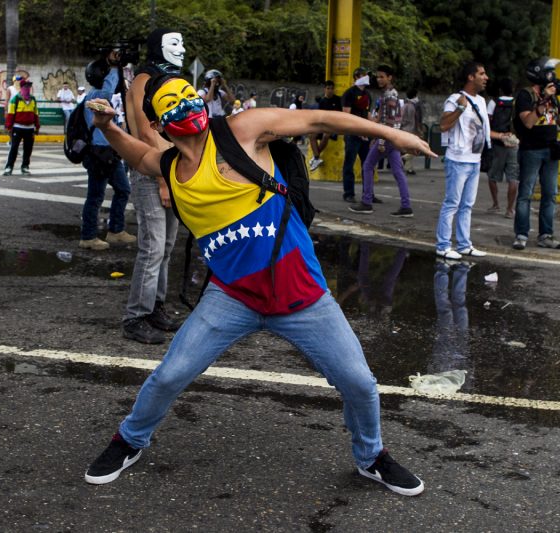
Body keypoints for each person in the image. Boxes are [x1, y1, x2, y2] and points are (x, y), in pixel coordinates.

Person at [83, 73, 434, 496]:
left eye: (189, 95)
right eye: (172, 102)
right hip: (231, 297)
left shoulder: (241, 130)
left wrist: (391, 134)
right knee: (169, 375)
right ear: (158, 125)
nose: (187, 104)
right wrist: (107, 128)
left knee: (359, 383)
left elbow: (320, 120)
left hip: (304, 296)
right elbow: (139, 156)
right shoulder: (169, 167)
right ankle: (129, 440)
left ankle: (371, 457)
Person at [121, 28, 185, 344]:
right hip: (151, 172)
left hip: (169, 170)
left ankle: (155, 307)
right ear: (157, 48)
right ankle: (136, 317)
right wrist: (162, 178)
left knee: (167, 247)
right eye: (175, 43)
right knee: (153, 246)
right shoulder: (145, 80)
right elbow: (148, 134)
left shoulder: (162, 79)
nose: (183, 49)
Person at [78, 52, 135, 251]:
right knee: (98, 195)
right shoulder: (97, 96)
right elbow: (109, 87)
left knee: (118, 190)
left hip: (106, 153)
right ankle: (89, 236)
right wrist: (113, 67)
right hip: (99, 153)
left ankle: (115, 231)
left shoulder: (94, 95)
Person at [435, 61, 491, 260]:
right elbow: (443, 125)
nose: (486, 77)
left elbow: (482, 129)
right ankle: (443, 245)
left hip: (475, 160)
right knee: (452, 203)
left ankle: (464, 244)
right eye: (482, 74)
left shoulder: (482, 101)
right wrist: (460, 108)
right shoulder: (455, 99)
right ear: (470, 77)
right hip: (457, 160)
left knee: (467, 205)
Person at [350, 65, 413, 217]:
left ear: (390, 77)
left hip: (387, 137)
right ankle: (406, 206)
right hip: (392, 136)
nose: (379, 79)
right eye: (377, 77)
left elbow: (391, 121)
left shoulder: (389, 96)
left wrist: (382, 141)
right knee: (398, 171)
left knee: (367, 166)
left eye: (382, 77)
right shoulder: (390, 94)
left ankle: (366, 202)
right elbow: (385, 119)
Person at [512, 57, 560, 250]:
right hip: (531, 150)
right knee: (526, 193)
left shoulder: (553, 97)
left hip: (551, 150)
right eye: (549, 72)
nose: (552, 76)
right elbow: (529, 122)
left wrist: (552, 98)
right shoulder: (525, 95)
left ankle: (546, 235)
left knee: (550, 194)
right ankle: (521, 234)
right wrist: (545, 99)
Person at [485, 78, 519, 217]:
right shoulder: (516, 103)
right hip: (513, 142)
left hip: (498, 142)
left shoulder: (493, 102)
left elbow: (487, 122)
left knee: (492, 175)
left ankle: (496, 204)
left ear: (500, 89)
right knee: (513, 177)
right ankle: (510, 209)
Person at [341, 68, 371, 202]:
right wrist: (356, 130)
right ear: (357, 76)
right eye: (364, 75)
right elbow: (346, 115)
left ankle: (369, 194)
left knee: (368, 164)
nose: (367, 77)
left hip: (365, 134)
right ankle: (349, 193)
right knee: (349, 164)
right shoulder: (349, 93)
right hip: (352, 135)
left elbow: (368, 114)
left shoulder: (367, 94)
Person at [3, 79, 39, 176]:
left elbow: (36, 113)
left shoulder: (33, 99)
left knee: (28, 149)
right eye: (25, 86)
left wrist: (37, 126)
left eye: (29, 86)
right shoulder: (16, 99)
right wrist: (9, 127)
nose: (27, 88)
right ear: (22, 87)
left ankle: (25, 167)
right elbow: (11, 114)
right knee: (14, 148)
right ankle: (9, 167)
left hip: (30, 128)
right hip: (17, 127)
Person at [308, 80, 342, 171]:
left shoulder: (338, 100)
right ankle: (316, 158)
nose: (330, 90)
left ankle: (315, 157)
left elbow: (341, 115)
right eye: (328, 88)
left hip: (334, 125)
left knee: (326, 135)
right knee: (311, 135)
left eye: (332, 88)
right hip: (323, 125)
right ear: (324, 89)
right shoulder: (322, 102)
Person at [400, 88, 425, 175]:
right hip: (413, 130)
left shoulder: (404, 105)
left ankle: (409, 168)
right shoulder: (415, 106)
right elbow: (418, 119)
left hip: (404, 129)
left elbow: (401, 118)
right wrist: (420, 130)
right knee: (416, 148)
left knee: (409, 149)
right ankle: (405, 158)